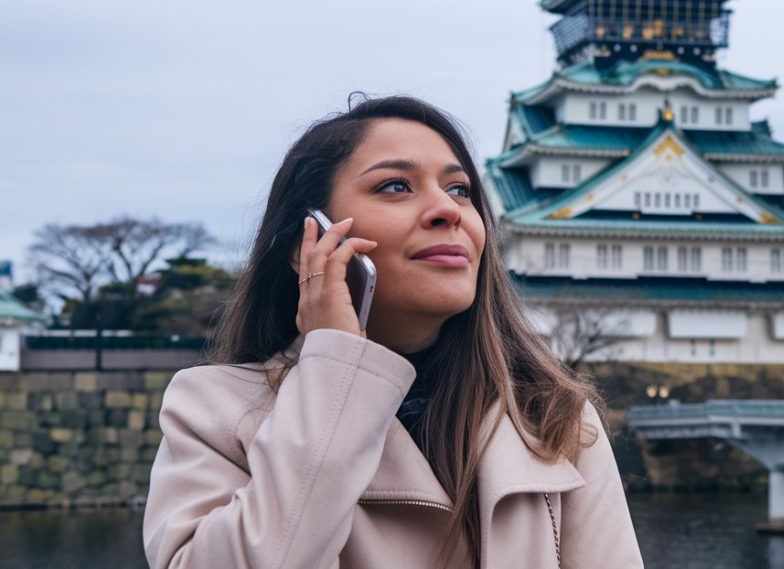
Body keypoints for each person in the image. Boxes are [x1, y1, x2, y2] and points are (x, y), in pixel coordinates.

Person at [143, 95, 644, 568]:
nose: (448, 210)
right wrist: (334, 367)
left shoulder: (553, 418)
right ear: (310, 242)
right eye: (395, 186)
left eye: (460, 190)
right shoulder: (215, 411)